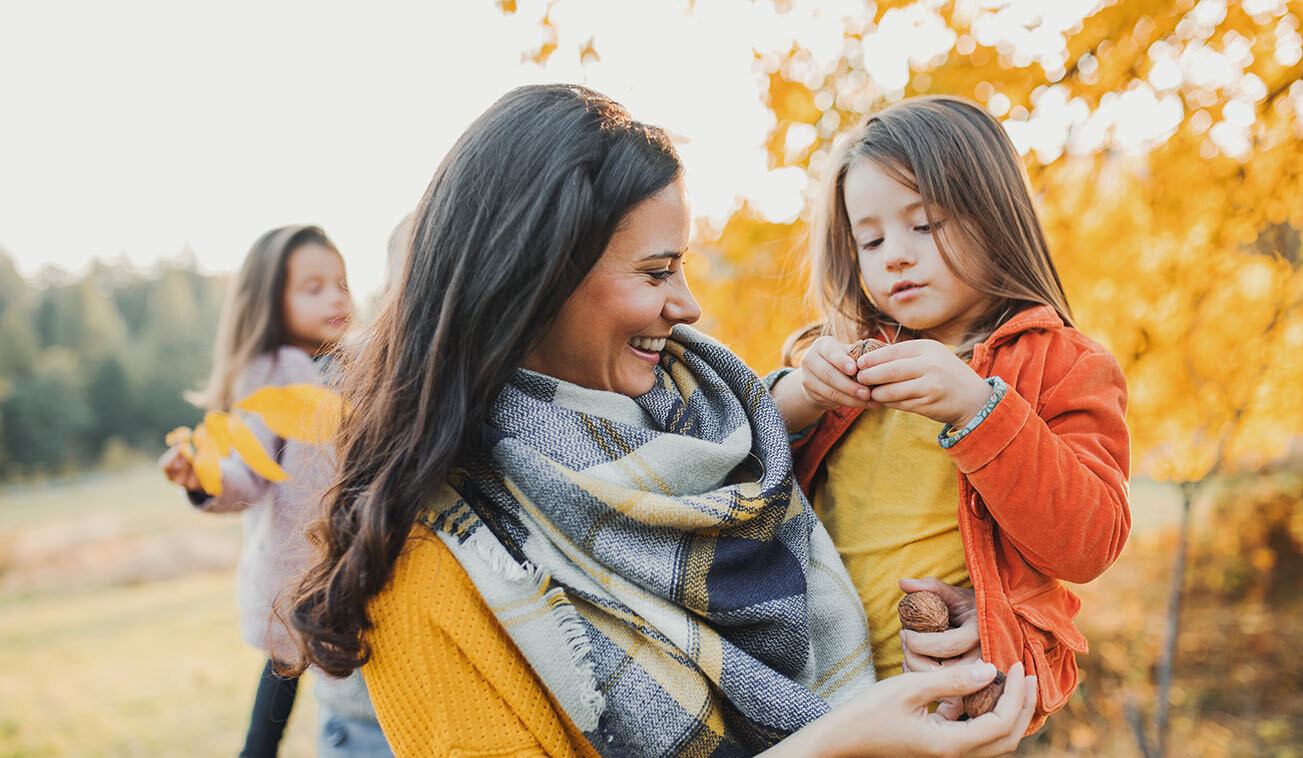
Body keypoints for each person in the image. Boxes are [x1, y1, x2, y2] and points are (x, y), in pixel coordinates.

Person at [288, 84, 1037, 758]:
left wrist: (977, 605)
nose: (687, 306)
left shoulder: (715, 429)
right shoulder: (428, 560)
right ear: (536, 279)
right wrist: (845, 744)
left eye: (682, 265)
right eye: (655, 272)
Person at [767, 95, 1131, 731]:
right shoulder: (854, 361)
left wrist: (978, 407)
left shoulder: (1065, 364)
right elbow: (742, 465)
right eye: (871, 239)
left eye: (924, 226)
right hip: (812, 691)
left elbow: (1090, 541)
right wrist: (802, 394)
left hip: (945, 692)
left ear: (993, 218)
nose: (895, 256)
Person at [158, 225, 389, 757]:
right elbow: (247, 478)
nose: (336, 297)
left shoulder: (361, 364)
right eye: (314, 288)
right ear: (269, 302)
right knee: (287, 665)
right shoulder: (270, 376)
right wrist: (204, 480)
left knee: (339, 667)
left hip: (356, 558)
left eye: (341, 283)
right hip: (296, 567)